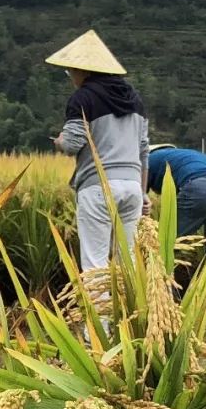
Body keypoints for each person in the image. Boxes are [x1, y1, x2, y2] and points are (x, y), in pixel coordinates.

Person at [47, 30, 149, 274]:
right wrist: (143, 193)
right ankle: (130, 309)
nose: (71, 76)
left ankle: (99, 314)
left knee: (96, 264)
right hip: (133, 187)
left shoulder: (82, 98)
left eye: (70, 70)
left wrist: (60, 141)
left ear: (84, 71)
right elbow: (144, 149)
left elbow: (72, 144)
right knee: (129, 264)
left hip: (99, 187)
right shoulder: (134, 99)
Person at [147, 144, 206, 304]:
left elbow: (138, 204)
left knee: (163, 247)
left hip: (199, 188)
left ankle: (168, 305)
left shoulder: (148, 160)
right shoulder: (182, 155)